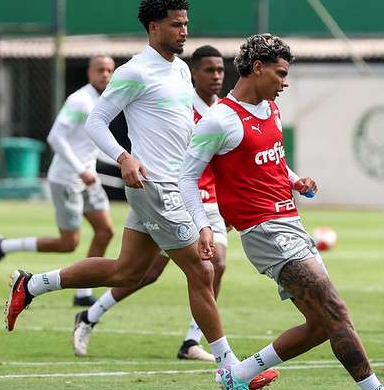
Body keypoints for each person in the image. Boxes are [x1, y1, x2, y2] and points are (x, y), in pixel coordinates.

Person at [3, 0, 267, 390]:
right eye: (176, 24)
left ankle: (31, 285)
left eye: (185, 23)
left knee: (127, 272)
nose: (184, 30)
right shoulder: (134, 72)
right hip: (156, 186)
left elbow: (183, 132)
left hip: (172, 185)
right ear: (153, 27)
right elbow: (96, 121)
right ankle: (231, 369)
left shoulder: (180, 70)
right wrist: (124, 156)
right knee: (203, 269)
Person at [180, 33, 384, 390]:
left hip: (291, 223)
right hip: (266, 232)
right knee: (335, 308)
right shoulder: (221, 120)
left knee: (320, 324)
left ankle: (239, 375)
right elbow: (187, 177)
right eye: (281, 74)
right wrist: (204, 227)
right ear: (258, 68)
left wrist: (295, 179)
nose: (285, 82)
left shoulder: (271, 110)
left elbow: (273, 162)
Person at [70, 46, 269, 370]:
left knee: (213, 263)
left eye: (220, 71)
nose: (216, 77)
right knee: (145, 273)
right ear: (193, 74)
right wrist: (126, 158)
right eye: (209, 70)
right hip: (175, 195)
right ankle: (90, 314)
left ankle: (194, 341)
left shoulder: (223, 110)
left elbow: (225, 161)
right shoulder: (176, 103)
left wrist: (227, 203)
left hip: (208, 200)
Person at [0, 55, 117, 307]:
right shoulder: (79, 100)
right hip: (67, 179)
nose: (106, 75)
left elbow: (90, 145)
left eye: (110, 70)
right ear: (89, 73)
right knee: (69, 243)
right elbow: (56, 137)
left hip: (88, 179)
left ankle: (83, 293)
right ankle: (4, 245)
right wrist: (80, 170)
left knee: (105, 231)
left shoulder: (103, 102)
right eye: (100, 70)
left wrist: (122, 160)